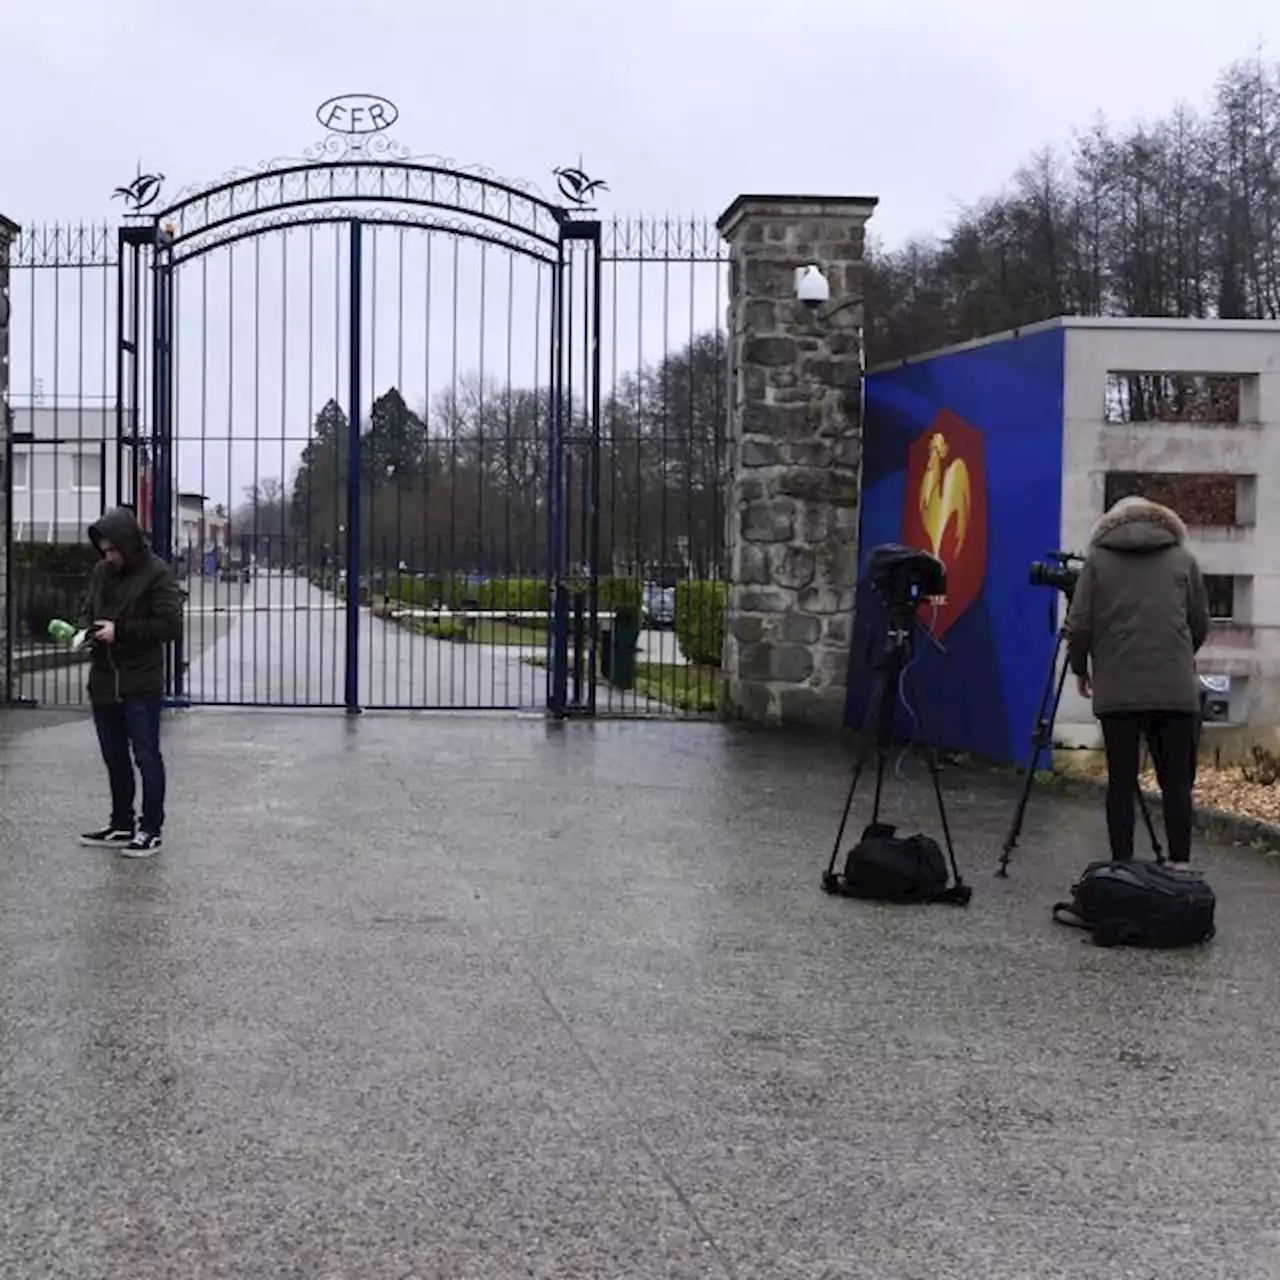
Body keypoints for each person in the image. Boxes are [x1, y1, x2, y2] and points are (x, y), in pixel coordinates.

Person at [1066, 494, 1211, 870]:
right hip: (1175, 690)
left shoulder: (1097, 561)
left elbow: (1079, 624)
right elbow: (1200, 622)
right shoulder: (1183, 559)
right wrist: (1178, 656)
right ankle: (1180, 866)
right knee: (1176, 783)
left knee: (1121, 782)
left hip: (1118, 692)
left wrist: (1080, 668)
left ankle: (1123, 867)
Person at [76, 506, 185, 857]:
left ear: (127, 543)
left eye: (113, 550)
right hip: (105, 680)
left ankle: (150, 828)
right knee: (114, 758)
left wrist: (120, 631)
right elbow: (88, 607)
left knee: (145, 756)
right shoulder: (100, 573)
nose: (108, 557)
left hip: (140, 683)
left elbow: (170, 625)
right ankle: (121, 823)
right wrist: (84, 630)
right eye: (103, 551)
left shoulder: (157, 574)